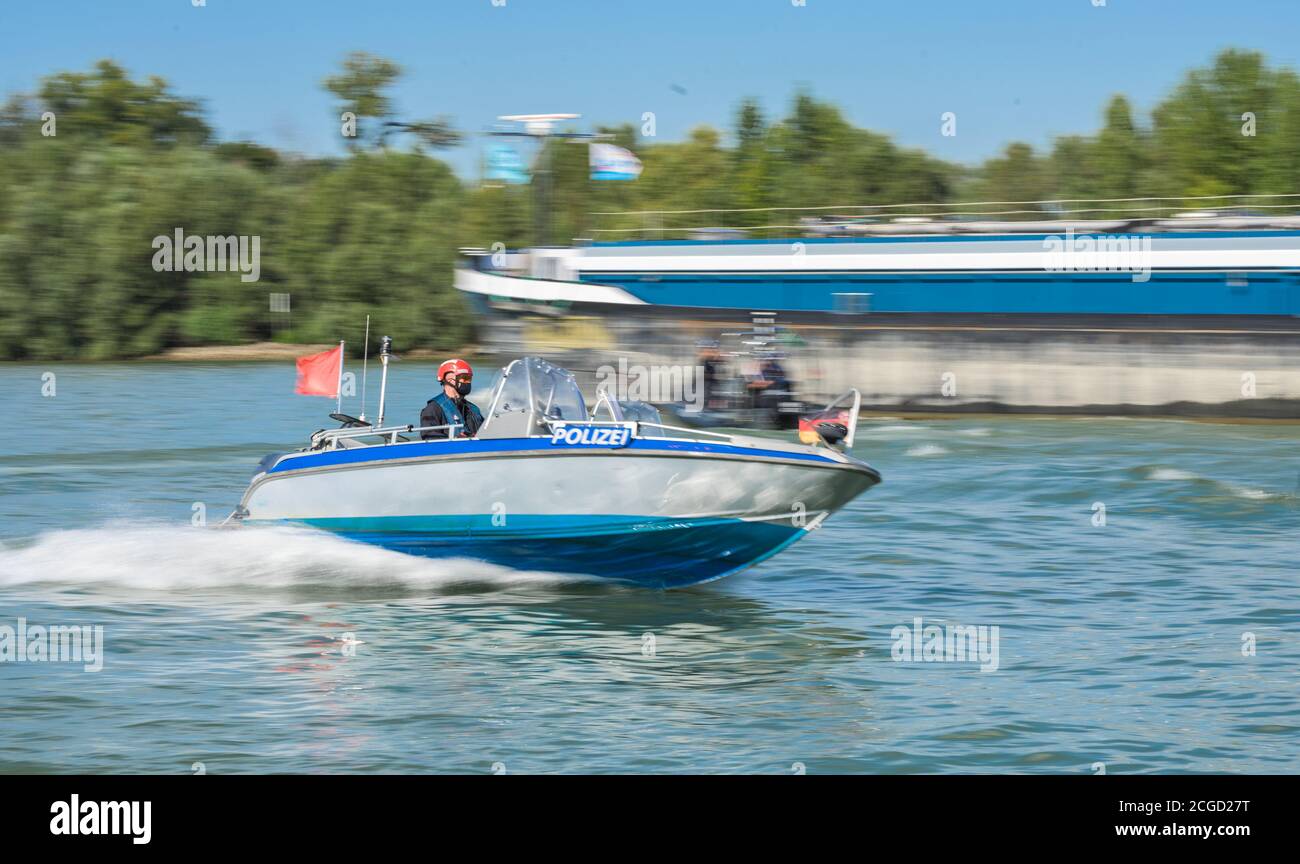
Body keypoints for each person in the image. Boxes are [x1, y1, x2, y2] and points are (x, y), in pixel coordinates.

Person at [420, 358, 484, 439]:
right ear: (449, 380)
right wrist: (456, 438)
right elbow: (429, 437)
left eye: (469, 379)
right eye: (464, 378)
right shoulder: (433, 409)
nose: (467, 382)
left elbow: (486, 433)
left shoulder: (473, 409)